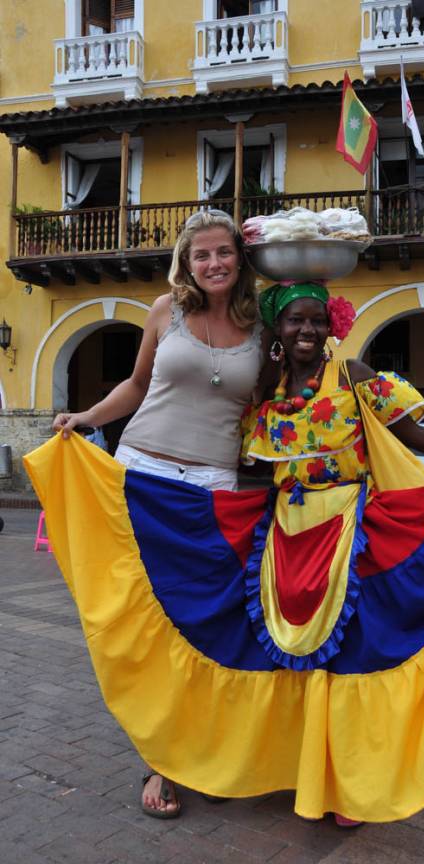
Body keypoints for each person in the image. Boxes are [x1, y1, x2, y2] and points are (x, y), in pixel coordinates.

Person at [28, 282, 424, 827]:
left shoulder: (353, 376)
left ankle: (348, 784)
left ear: (331, 325)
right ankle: (259, 763)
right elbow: (246, 461)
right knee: (283, 661)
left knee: (351, 657)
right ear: (279, 333)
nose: (306, 330)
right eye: (294, 322)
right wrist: (167, 496)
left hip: (353, 534)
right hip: (283, 536)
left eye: (316, 320)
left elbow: (412, 436)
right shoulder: (268, 393)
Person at [52, 209, 264, 818]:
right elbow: (137, 385)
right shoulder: (164, 311)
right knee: (149, 626)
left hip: (214, 488)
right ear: (187, 261)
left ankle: (199, 746)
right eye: (202, 255)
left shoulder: (261, 326)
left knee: (202, 626)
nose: (214, 264)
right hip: (143, 476)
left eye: (224, 252)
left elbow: (276, 403)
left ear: (239, 258)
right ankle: (162, 760)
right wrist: (88, 417)